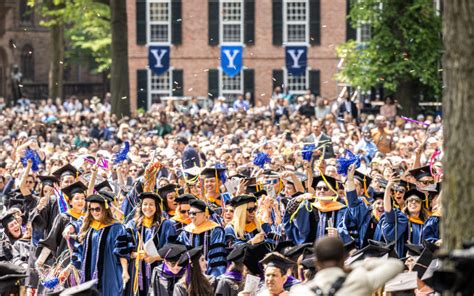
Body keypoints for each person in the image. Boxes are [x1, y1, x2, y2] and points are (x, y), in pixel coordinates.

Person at [289, 237, 404, 296]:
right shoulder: (359, 281)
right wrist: (361, 263)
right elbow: (396, 265)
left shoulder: (300, 292)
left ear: (317, 262)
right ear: (344, 259)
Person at [71, 194, 131, 296]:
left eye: (97, 209)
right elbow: (80, 250)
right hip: (89, 273)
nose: (94, 212)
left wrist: (125, 271)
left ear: (105, 209)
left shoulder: (116, 228)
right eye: (91, 209)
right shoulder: (88, 228)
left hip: (109, 272)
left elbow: (122, 250)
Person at [126, 192, 176, 296]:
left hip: (159, 269)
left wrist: (155, 258)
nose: (147, 207)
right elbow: (124, 249)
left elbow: (172, 249)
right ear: (141, 206)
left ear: (157, 207)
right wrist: (137, 254)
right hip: (137, 270)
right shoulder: (132, 225)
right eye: (145, 204)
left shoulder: (166, 224)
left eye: (151, 204)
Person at [177, 199, 227, 277]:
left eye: (194, 213)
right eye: (190, 213)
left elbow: (217, 256)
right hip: (190, 276)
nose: (191, 216)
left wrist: (212, 277)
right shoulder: (185, 232)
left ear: (204, 214)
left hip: (210, 276)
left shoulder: (215, 230)